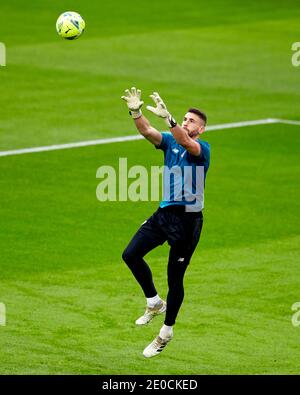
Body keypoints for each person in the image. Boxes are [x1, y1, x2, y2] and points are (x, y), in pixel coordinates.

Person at [121, 87, 210, 358]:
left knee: (175, 278)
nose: (186, 122)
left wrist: (170, 120)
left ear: (202, 129)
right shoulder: (171, 142)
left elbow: (186, 143)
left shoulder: (201, 148)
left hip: (188, 220)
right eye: (184, 119)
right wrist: (135, 112)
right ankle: (153, 302)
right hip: (164, 214)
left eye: (191, 121)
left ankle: (166, 332)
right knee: (131, 254)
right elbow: (148, 132)